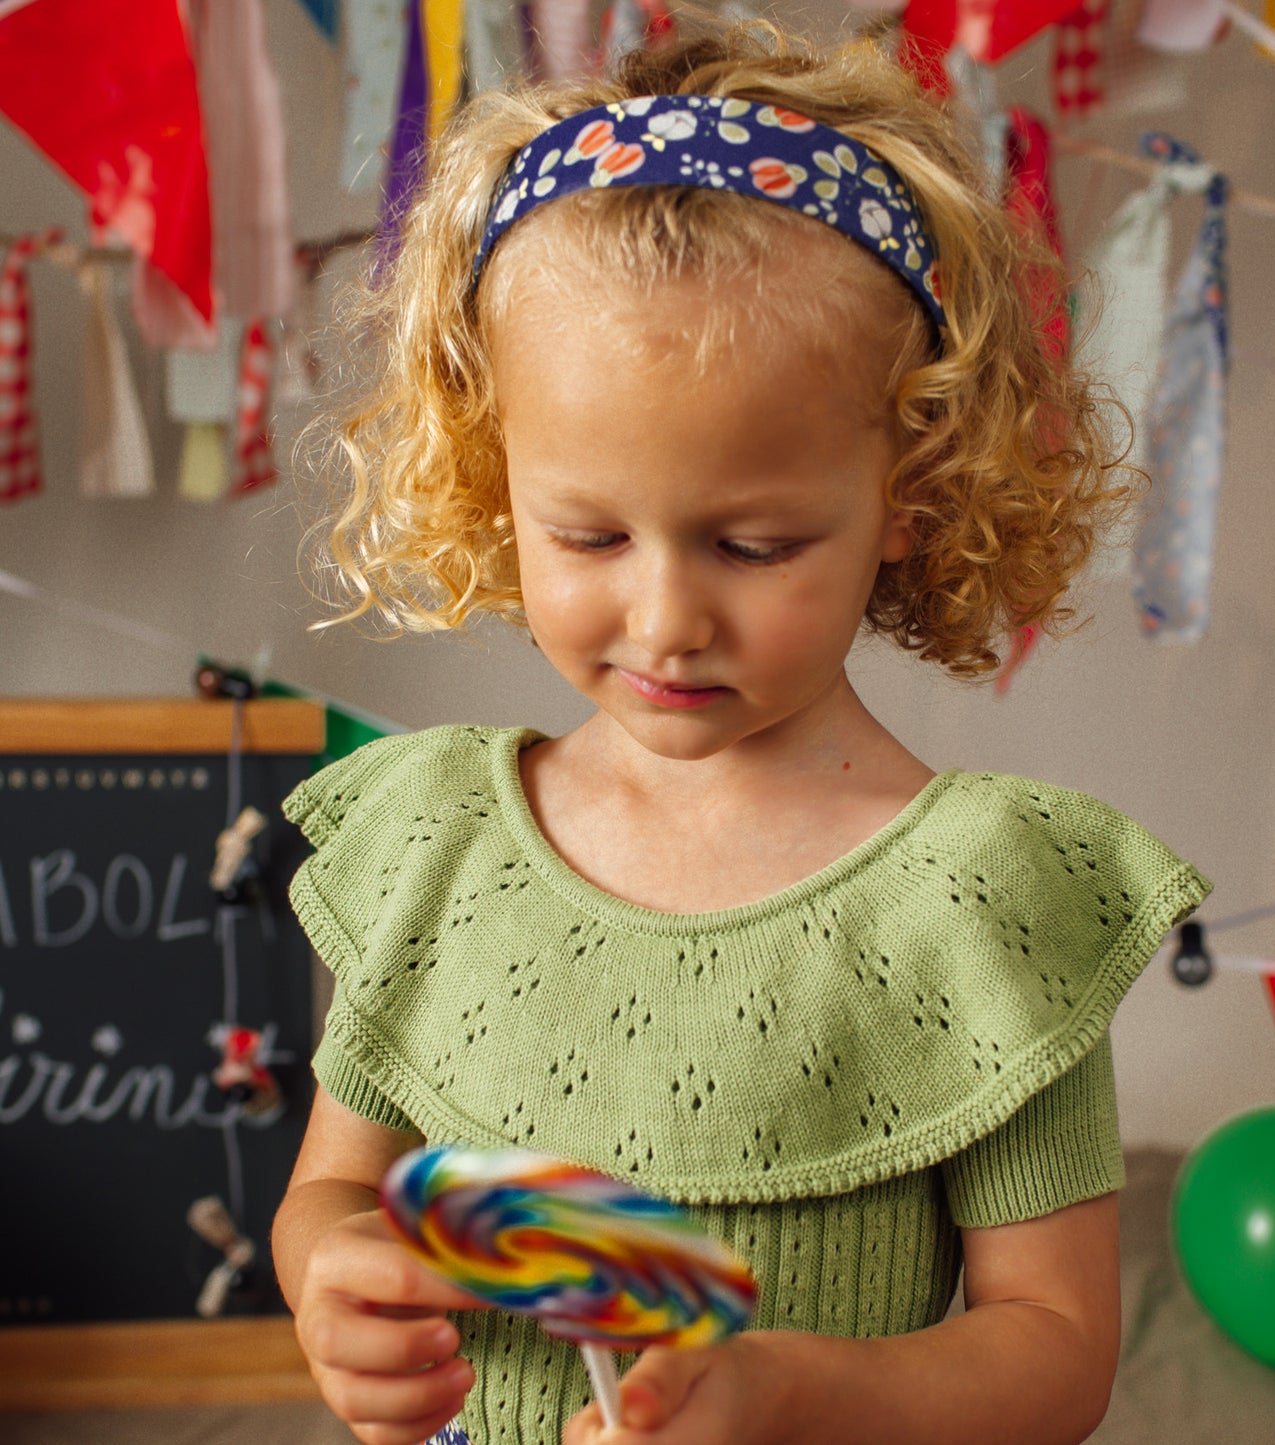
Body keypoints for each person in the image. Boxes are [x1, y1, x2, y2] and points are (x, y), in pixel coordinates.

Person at [272, 20, 1210, 1445]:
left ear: (909, 489)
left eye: (754, 543)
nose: (664, 619)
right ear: (492, 471)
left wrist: (794, 1392)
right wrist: (335, 1276)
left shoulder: (981, 900)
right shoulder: (436, 847)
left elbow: (1056, 1348)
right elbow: (335, 1192)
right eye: (585, 532)